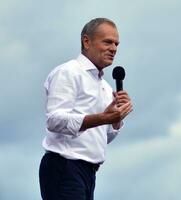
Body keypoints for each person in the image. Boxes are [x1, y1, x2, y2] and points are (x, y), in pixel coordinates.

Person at [39, 18, 133, 200]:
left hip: (88, 172)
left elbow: (101, 137)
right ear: (86, 41)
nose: (113, 48)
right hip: (64, 166)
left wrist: (116, 120)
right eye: (107, 42)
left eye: (116, 44)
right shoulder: (68, 72)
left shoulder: (105, 87)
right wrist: (103, 118)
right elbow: (54, 120)